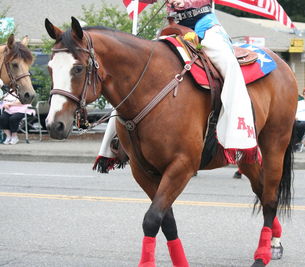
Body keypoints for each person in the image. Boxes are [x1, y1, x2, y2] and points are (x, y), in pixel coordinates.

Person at [94, 0, 257, 170]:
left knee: (229, 64)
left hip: (204, 25)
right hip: (174, 27)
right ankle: (112, 146)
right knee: (138, 71)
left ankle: (238, 130)